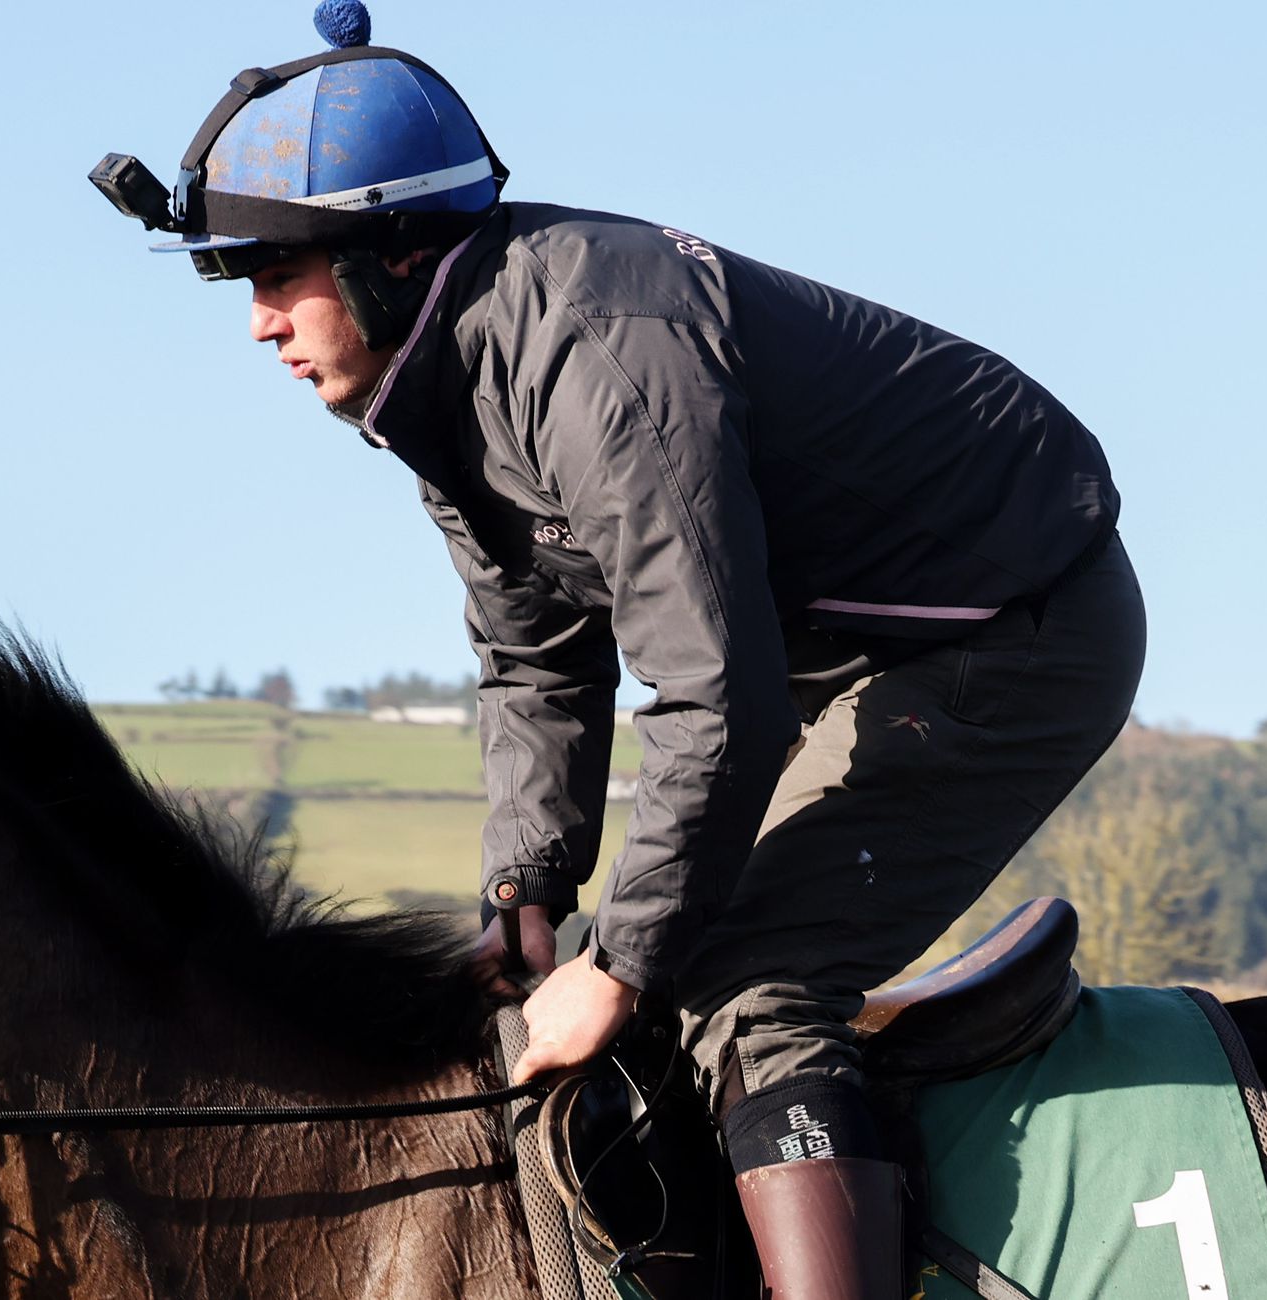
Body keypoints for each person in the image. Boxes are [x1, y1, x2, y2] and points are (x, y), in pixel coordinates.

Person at [93, 4, 1144, 1294]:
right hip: (833, 650)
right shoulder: (436, 386)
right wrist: (524, 892)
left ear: (395, 256)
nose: (258, 325)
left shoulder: (595, 357)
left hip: (1017, 632)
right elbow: (537, 661)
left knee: (747, 981)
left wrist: (623, 961)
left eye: (271, 276)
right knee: (638, 961)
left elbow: (716, 694)